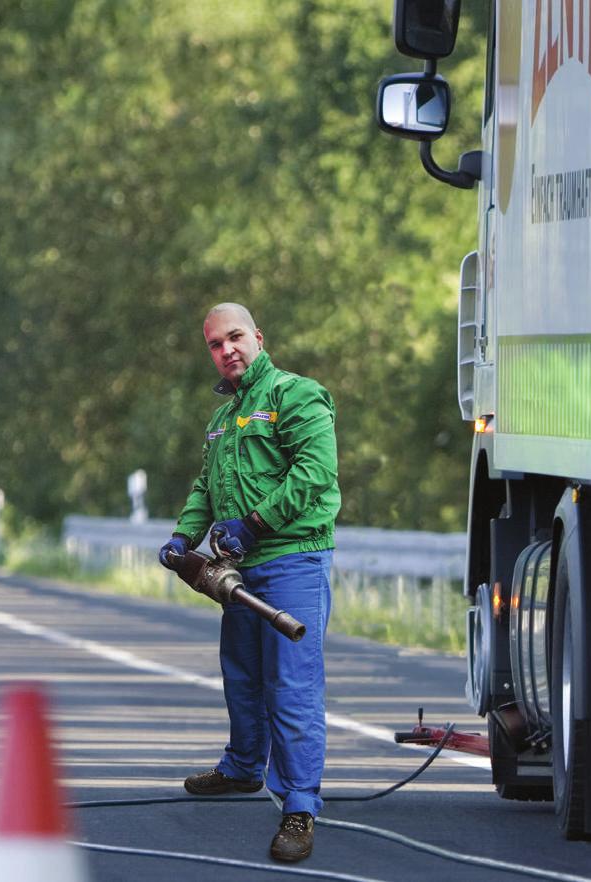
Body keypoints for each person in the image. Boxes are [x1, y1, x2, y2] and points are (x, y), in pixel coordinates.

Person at [159, 303, 340, 863]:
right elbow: (204, 485)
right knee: (241, 673)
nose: (226, 349)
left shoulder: (296, 394)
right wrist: (184, 537)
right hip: (240, 570)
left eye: (235, 337)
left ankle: (299, 807)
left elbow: (315, 472)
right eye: (215, 344)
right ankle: (241, 768)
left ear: (258, 337)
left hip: (292, 560)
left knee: (291, 686)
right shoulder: (223, 416)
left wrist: (254, 524)